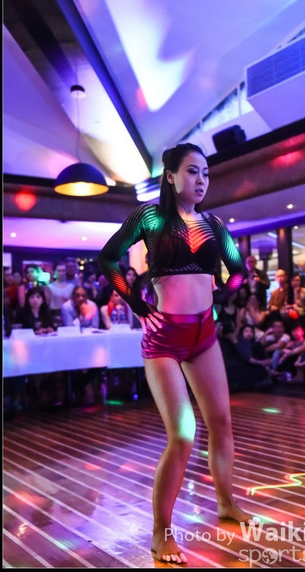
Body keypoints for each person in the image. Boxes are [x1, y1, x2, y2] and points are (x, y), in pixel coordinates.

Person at [97, 143, 259, 564]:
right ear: (170, 175)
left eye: (206, 173)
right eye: (192, 171)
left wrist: (220, 296)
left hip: (204, 333)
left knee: (221, 422)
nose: (201, 180)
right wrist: (138, 306)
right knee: (183, 434)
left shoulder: (213, 223)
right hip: (164, 337)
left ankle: (226, 502)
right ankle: (161, 532)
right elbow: (109, 259)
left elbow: (238, 271)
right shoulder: (150, 217)